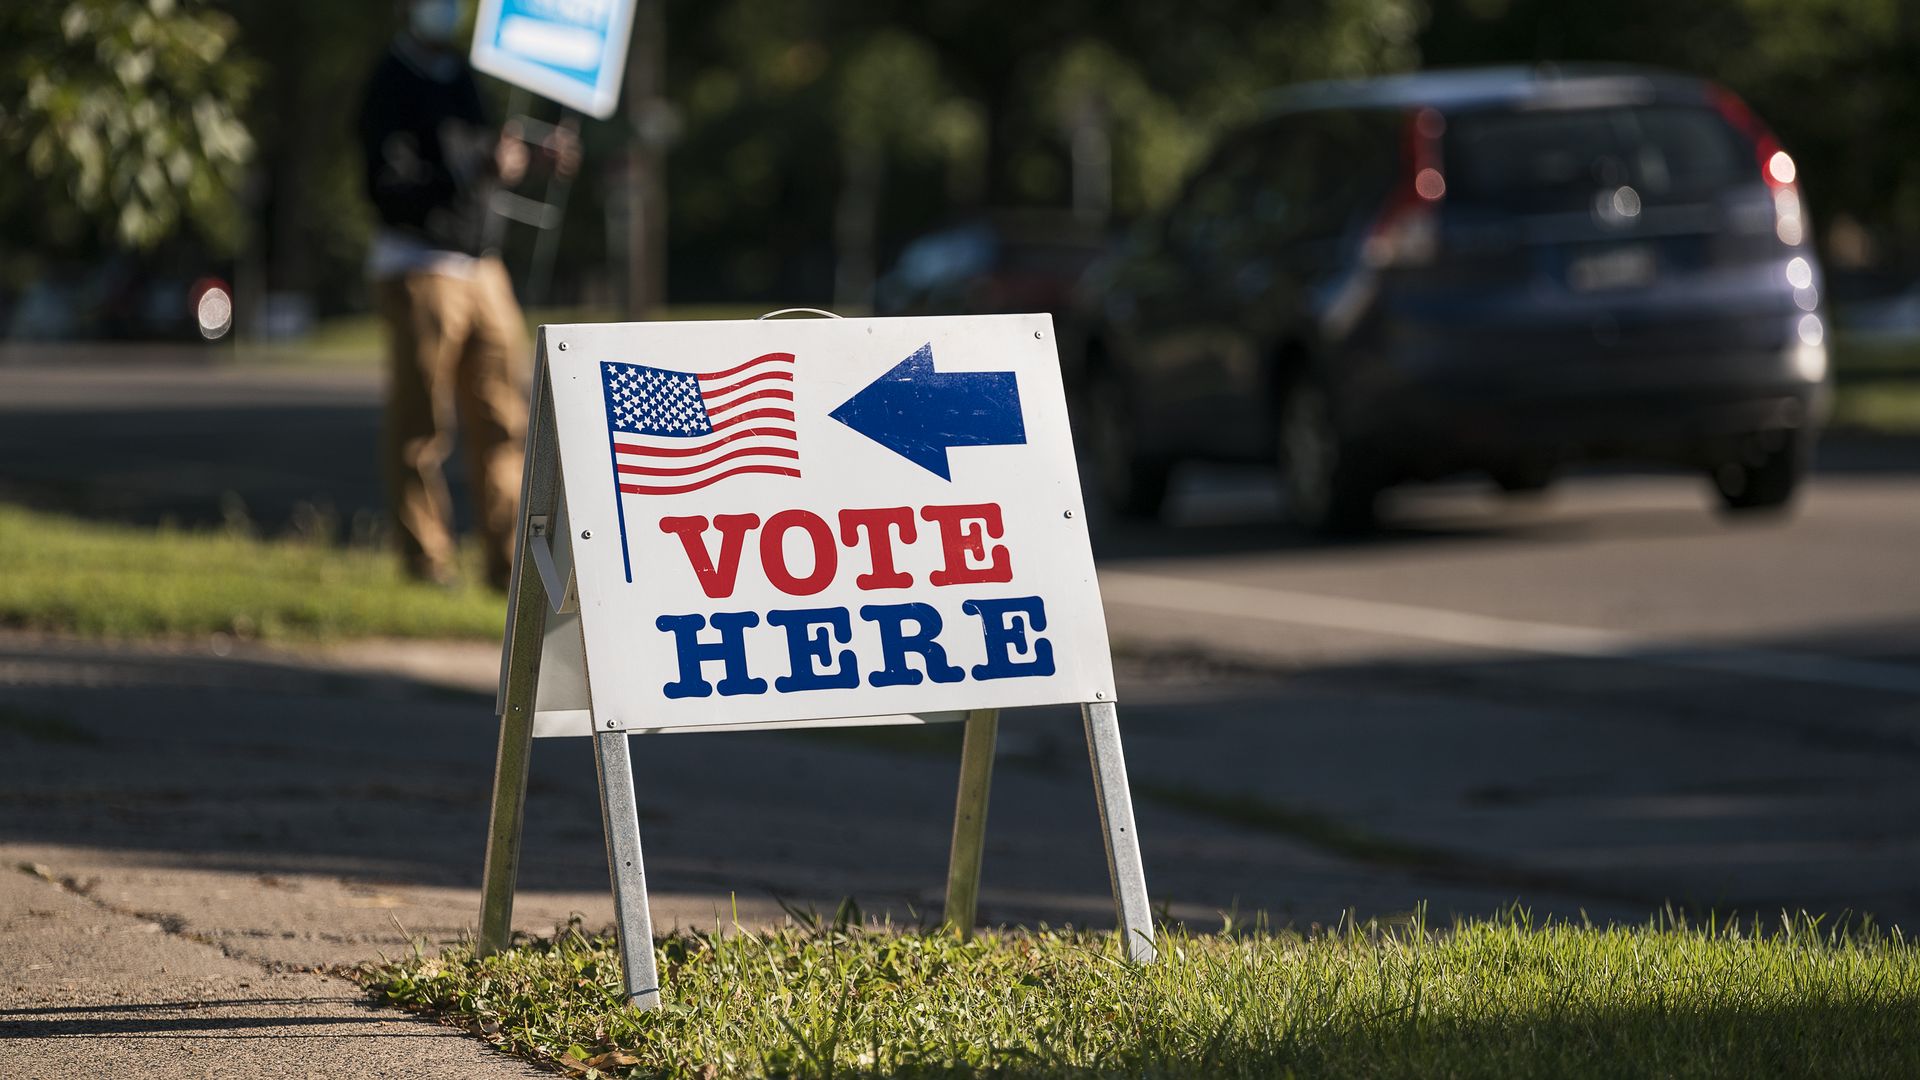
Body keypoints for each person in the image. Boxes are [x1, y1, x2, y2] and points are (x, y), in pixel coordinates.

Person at [356, 0, 578, 589]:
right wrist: (474, 167)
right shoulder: (389, 81)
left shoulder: (461, 74)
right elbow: (388, 189)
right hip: (417, 266)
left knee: (505, 420)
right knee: (421, 423)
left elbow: (489, 161)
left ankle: (507, 566)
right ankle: (425, 563)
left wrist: (530, 158)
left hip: (483, 268)